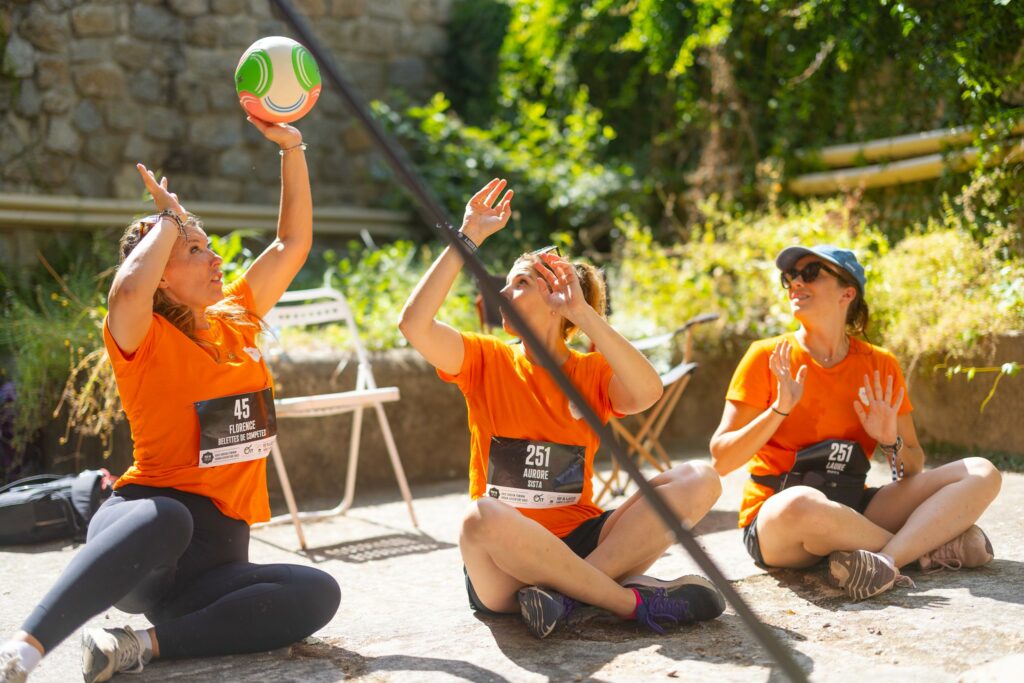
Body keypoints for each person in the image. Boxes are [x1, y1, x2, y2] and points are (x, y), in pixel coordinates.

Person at [0, 117, 340, 683]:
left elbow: (292, 242)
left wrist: (292, 148)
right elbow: (129, 289)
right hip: (144, 531)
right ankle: (25, 647)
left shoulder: (237, 318)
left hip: (216, 559)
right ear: (162, 274)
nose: (216, 261)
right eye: (196, 251)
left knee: (315, 592)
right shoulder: (143, 337)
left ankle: (139, 646)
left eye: (209, 248)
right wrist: (169, 219)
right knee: (170, 517)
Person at [398, 178, 727, 639]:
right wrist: (468, 234)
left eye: (519, 283)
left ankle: (566, 598)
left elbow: (648, 391)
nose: (501, 293)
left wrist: (584, 314)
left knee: (701, 478)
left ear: (556, 299)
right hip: (504, 564)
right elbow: (414, 324)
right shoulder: (484, 358)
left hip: (583, 543)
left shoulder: (591, 372)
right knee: (480, 516)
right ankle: (627, 602)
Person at [710, 244, 1002, 601]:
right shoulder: (767, 357)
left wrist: (889, 439)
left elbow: (913, 467)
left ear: (847, 292)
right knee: (800, 502)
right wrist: (780, 409)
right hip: (780, 520)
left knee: (981, 471)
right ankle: (929, 548)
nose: (795, 283)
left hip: (855, 507)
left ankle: (885, 561)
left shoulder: (880, 364)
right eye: (789, 276)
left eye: (810, 273)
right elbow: (721, 459)